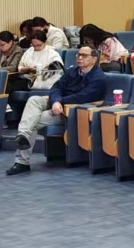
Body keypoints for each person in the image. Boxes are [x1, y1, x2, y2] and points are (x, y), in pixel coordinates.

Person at [6, 46, 106, 176]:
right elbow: (56, 87)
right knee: (34, 100)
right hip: (59, 104)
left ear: (94, 59)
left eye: (84, 55)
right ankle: (23, 135)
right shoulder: (72, 71)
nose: (80, 58)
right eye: (78, 54)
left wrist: (59, 102)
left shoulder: (98, 78)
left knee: (33, 121)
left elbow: (83, 97)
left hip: (72, 111)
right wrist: (56, 101)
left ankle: (22, 162)